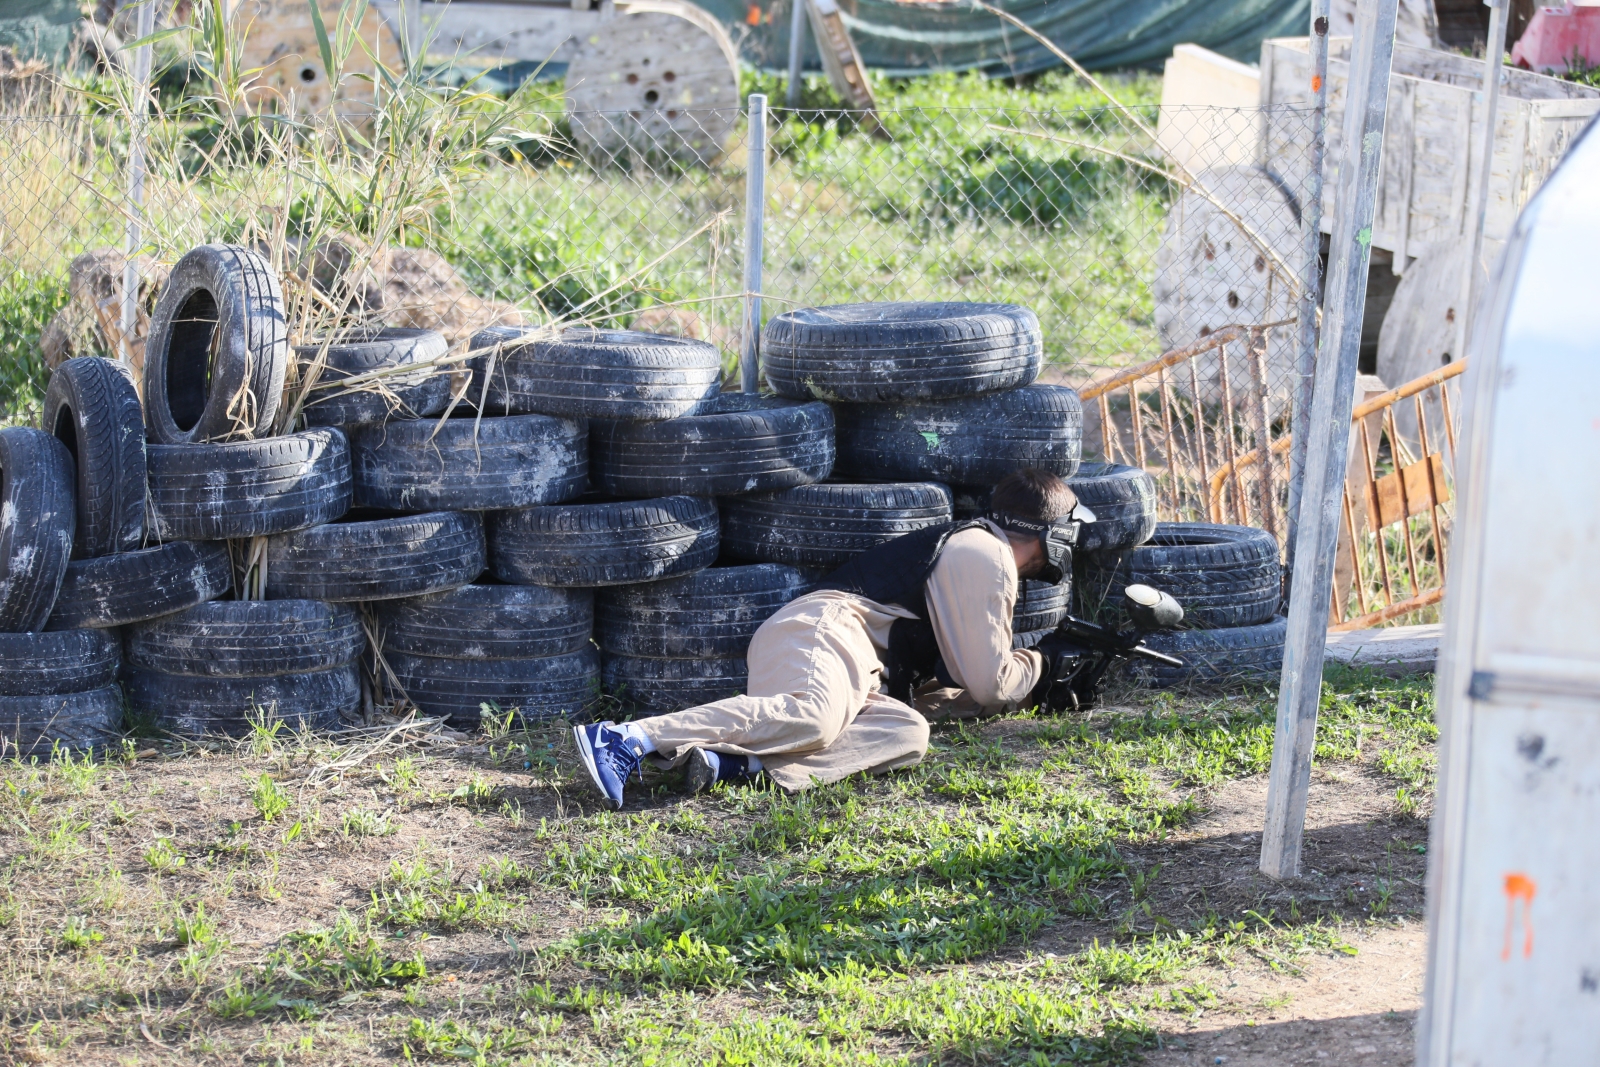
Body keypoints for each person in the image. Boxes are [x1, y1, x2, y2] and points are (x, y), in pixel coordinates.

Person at [571, 467, 1095, 808]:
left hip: (858, 667)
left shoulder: (977, 548)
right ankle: (628, 738)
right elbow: (990, 684)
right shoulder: (987, 551)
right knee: (816, 716)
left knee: (907, 733)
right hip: (826, 630)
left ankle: (735, 764)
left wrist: (1036, 682)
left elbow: (963, 687)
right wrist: (1043, 664)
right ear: (1055, 532)